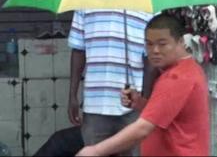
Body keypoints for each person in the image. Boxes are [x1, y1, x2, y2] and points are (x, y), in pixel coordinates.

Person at [76, 14, 210, 156]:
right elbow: (165, 114)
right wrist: (139, 102)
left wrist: (95, 150)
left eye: (162, 44)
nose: (155, 50)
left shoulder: (177, 77)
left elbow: (143, 128)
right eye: (149, 44)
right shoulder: (186, 69)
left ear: (181, 42)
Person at [68, 9, 153, 156]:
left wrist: (144, 100)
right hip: (95, 105)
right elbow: (78, 50)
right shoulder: (83, 2)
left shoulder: (147, 5)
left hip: (133, 106)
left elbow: (150, 59)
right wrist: (72, 95)